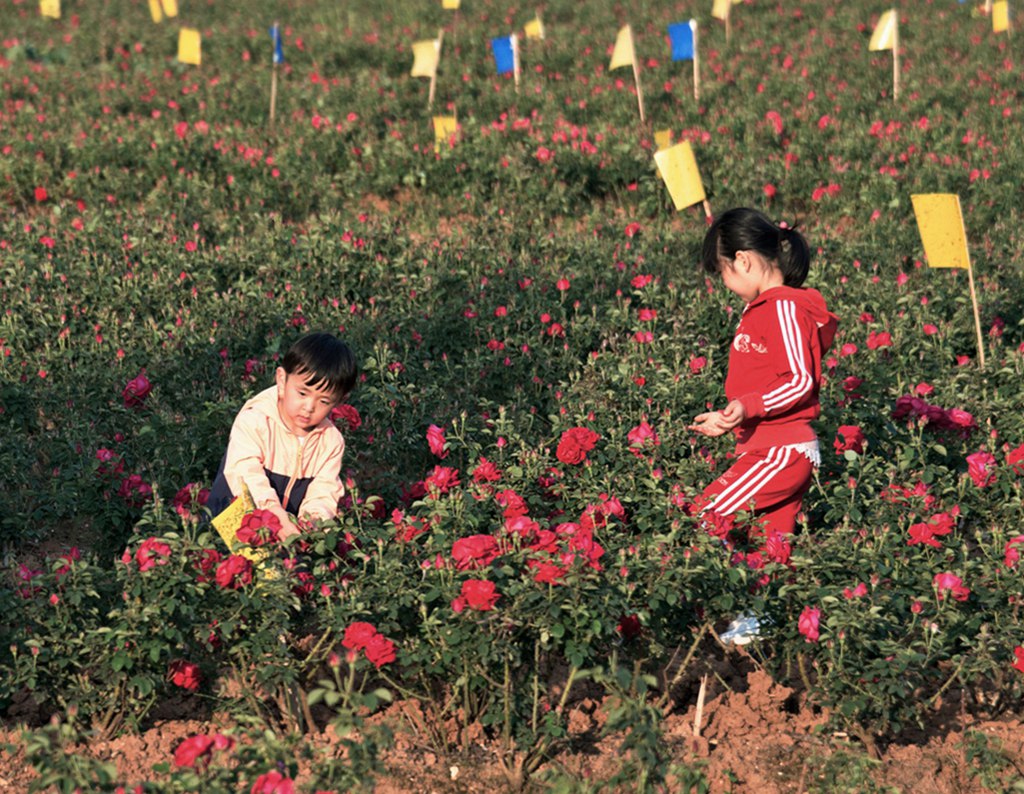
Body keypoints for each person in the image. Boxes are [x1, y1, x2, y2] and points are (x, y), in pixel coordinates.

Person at [689, 207, 838, 538]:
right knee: (767, 557)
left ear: (742, 261)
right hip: (769, 447)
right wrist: (732, 417)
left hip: (781, 451)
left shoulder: (782, 307)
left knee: (704, 516)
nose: (725, 283)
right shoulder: (763, 308)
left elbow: (799, 379)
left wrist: (747, 407)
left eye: (722, 272)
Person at [208, 332, 358, 539]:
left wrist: (313, 522)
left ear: (339, 401)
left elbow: (324, 491)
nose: (309, 407)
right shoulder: (256, 420)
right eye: (302, 393)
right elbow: (246, 474)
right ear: (282, 379)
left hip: (288, 530)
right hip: (236, 518)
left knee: (294, 567)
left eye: (324, 401)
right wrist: (275, 517)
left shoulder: (330, 441)